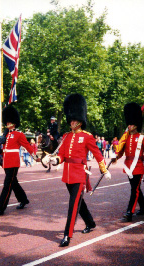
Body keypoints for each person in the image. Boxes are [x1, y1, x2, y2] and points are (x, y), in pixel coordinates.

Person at [42, 93, 111, 247]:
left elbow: (97, 153)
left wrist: (103, 169)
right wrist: (53, 159)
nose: (72, 122)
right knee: (79, 202)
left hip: (80, 174)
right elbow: (62, 155)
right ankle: (90, 223)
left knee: (73, 205)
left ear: (80, 121)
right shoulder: (66, 137)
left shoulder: (87, 137)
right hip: (67, 174)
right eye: (71, 119)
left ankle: (67, 234)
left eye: (74, 119)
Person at [0, 105, 39, 216]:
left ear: (14, 122)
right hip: (6, 162)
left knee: (7, 184)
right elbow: (6, 150)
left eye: (9, 122)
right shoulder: (6, 135)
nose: (7, 124)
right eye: (6, 122)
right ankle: (23, 200)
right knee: (14, 183)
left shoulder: (19, 134)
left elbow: (27, 146)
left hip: (13, 163)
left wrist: (35, 157)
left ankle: (1, 207)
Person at [113, 102, 144, 222]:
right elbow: (121, 151)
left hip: (139, 166)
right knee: (136, 188)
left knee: (134, 189)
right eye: (129, 124)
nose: (129, 126)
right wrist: (116, 157)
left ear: (135, 125)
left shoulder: (142, 137)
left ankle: (130, 211)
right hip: (129, 166)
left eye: (131, 124)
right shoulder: (126, 137)